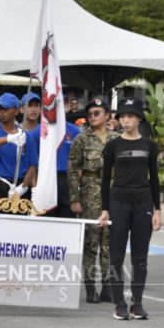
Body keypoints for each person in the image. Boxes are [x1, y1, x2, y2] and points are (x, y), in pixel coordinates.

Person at [99, 98, 161, 320]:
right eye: (122, 117)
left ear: (139, 119)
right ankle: (119, 304)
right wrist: (105, 209)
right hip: (118, 203)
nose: (126, 120)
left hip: (143, 204)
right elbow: (105, 180)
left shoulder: (149, 146)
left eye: (130, 116)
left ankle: (137, 303)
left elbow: (154, 180)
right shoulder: (113, 146)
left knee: (140, 256)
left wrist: (158, 209)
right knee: (116, 255)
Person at [68, 98, 118, 304]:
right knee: (91, 242)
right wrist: (74, 198)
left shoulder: (117, 138)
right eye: (90, 113)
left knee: (110, 243)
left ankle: (107, 286)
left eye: (97, 113)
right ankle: (90, 287)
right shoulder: (82, 138)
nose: (92, 117)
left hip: (114, 192)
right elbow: (72, 168)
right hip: (90, 190)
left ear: (107, 115)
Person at [0, 93, 37, 199]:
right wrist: (8, 139)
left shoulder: (26, 136)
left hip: (20, 184)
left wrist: (23, 187)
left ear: (16, 110)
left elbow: (32, 164)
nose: (1, 112)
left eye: (6, 108)